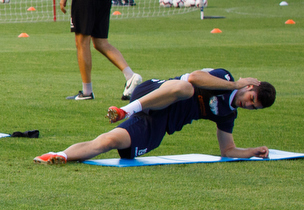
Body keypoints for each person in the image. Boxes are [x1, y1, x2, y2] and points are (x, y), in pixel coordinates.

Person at [35, 69, 275, 164]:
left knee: (109, 141)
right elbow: (193, 78)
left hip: (157, 122)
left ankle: (59, 155)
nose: (248, 105)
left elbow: (227, 150)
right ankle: (126, 110)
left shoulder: (227, 115)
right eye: (251, 99)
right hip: (154, 93)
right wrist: (233, 85)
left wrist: (252, 151)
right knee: (187, 88)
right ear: (251, 86)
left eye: (254, 108)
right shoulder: (224, 78)